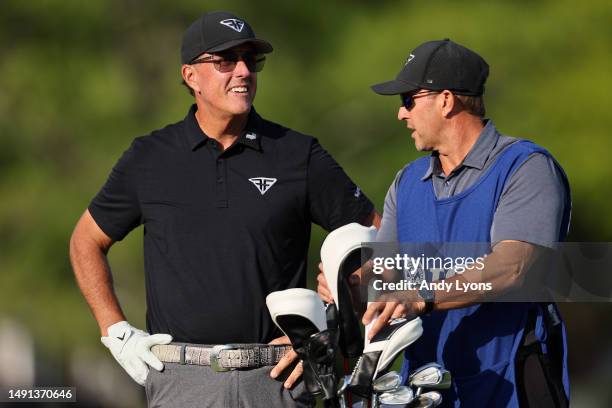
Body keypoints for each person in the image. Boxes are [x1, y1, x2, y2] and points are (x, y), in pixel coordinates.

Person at [69, 11, 379, 408]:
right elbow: (86, 241)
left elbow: (376, 240)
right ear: (190, 75)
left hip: (278, 379)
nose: (243, 71)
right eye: (225, 62)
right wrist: (116, 331)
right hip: (180, 379)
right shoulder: (150, 158)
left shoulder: (297, 154)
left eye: (251, 60)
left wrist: (328, 323)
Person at [317, 39, 570, 407]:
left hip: (510, 385)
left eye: (408, 101)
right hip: (423, 390)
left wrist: (423, 296)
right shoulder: (407, 182)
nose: (401, 115)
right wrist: (349, 287)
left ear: (446, 100)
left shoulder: (526, 167)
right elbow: (387, 277)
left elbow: (514, 265)